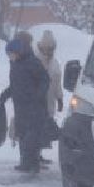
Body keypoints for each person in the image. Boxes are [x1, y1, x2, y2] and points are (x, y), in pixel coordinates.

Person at [0, 31, 52, 173]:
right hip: (20, 106)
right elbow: (16, 84)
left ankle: (32, 163)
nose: (9, 57)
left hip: (34, 106)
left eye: (11, 54)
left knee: (31, 136)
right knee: (22, 134)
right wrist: (6, 94)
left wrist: (38, 95)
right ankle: (26, 163)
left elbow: (45, 80)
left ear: (18, 52)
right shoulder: (15, 65)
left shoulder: (33, 63)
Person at [35, 29, 65, 166]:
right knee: (37, 127)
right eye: (46, 48)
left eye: (51, 48)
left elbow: (57, 82)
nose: (48, 51)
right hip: (37, 101)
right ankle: (34, 154)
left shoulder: (55, 63)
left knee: (45, 127)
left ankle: (39, 153)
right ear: (40, 47)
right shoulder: (35, 60)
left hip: (49, 101)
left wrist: (59, 98)